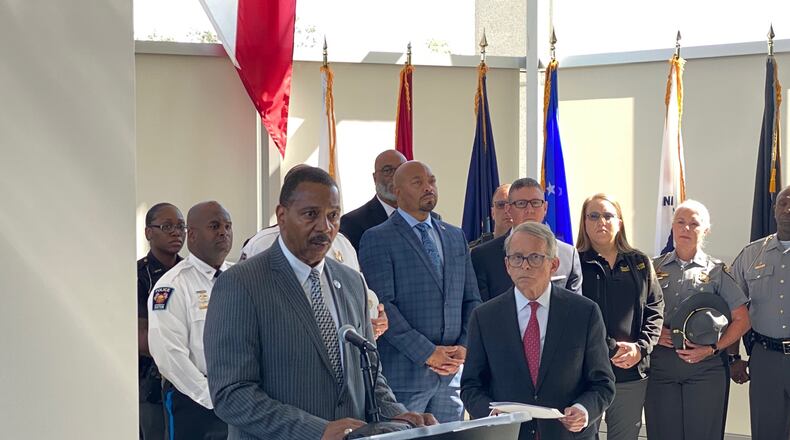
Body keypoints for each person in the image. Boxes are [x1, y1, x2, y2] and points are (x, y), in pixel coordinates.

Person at [204, 166, 436, 440]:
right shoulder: (240, 284)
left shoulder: (352, 283)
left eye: (333, 216)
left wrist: (397, 413)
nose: (325, 227)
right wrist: (316, 431)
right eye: (311, 214)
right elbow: (232, 394)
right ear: (281, 215)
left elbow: (370, 376)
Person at [461, 221, 615, 440]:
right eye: (517, 258)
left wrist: (583, 409)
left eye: (535, 257)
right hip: (508, 434)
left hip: (566, 434)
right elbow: (471, 386)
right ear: (507, 265)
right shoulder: (485, 317)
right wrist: (490, 414)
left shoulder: (584, 313)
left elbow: (602, 383)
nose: (525, 266)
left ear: (553, 264)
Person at [358, 161, 482, 422]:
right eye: (418, 183)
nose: (428, 187)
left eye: (432, 181)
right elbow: (384, 306)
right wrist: (428, 353)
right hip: (405, 379)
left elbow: (471, 299)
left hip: (452, 378)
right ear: (397, 191)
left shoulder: (455, 236)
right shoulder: (377, 238)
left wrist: (463, 346)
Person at [646, 200, 750, 440]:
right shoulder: (652, 268)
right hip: (661, 368)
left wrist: (713, 348)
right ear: (672, 227)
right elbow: (637, 313)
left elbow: (742, 320)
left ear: (706, 230)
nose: (686, 228)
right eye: (680, 222)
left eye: (694, 224)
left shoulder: (717, 271)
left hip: (705, 370)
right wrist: (653, 332)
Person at [575, 194, 664, 440]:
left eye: (607, 215)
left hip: (630, 372)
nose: (600, 221)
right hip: (585, 375)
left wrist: (641, 348)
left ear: (620, 221)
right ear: (584, 223)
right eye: (593, 216)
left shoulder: (640, 262)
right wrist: (609, 348)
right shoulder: (574, 263)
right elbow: (571, 318)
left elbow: (655, 308)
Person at [148, 201, 234, 439]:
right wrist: (211, 396)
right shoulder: (172, 285)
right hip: (194, 400)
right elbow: (169, 356)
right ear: (192, 236)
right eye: (215, 226)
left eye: (228, 226)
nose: (223, 232)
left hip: (240, 395)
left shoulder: (240, 278)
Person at [240, 224, 388, 339]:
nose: (324, 224)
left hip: (344, 362)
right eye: (311, 213)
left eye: (332, 214)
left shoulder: (343, 244)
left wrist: (371, 323)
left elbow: (359, 301)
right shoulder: (262, 244)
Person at [731, 184, 790, 440]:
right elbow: (731, 308)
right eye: (783, 203)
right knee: (767, 431)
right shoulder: (751, 255)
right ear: (774, 210)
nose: (788, 208)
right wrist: (734, 357)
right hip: (766, 358)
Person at [471, 177, 582, 302]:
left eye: (535, 203)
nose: (529, 210)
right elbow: (481, 313)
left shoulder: (568, 255)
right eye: (521, 204)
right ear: (508, 210)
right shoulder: (483, 256)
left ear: (545, 208)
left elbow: (575, 310)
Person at [137, 203, 185, 440]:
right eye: (167, 227)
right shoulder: (138, 276)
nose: (176, 232)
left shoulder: (191, 272)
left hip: (193, 385)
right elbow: (140, 337)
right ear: (149, 233)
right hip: (152, 385)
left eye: (180, 226)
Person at [340, 149, 407, 251]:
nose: (395, 177)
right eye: (388, 170)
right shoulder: (352, 223)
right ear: (375, 178)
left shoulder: (424, 217)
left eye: (401, 169)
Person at [468, 183, 513, 248]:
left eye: (511, 205)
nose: (507, 210)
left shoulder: (531, 246)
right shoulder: (476, 251)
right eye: (501, 205)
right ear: (492, 213)